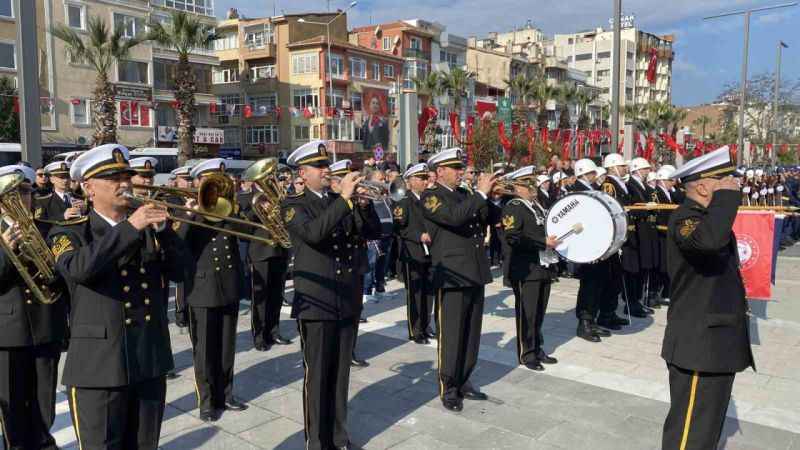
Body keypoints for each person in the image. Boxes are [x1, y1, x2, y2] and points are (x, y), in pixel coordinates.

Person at [48, 144, 188, 450]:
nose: (124, 182)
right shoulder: (68, 231)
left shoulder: (149, 229)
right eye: (113, 176)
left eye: (126, 175)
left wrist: (165, 232)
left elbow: (181, 273)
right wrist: (130, 227)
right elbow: (79, 269)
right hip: (99, 368)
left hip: (148, 359)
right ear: (88, 188)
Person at [281, 140, 381, 450]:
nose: (327, 171)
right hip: (316, 300)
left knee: (340, 376)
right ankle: (317, 440)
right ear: (303, 172)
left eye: (327, 165)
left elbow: (372, 233)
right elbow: (314, 233)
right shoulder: (293, 204)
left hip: (345, 296)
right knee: (318, 376)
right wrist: (346, 200)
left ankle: (339, 436)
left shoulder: (338, 200)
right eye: (320, 167)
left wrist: (364, 207)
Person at [661, 147, 754, 450]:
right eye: (723, 181)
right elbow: (709, 243)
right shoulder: (686, 219)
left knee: (706, 428)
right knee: (690, 432)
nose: (732, 185)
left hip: (714, 342)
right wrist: (727, 200)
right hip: (699, 343)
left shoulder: (705, 218)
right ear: (702, 186)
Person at [421, 147, 497, 412]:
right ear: (440, 171)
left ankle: (464, 379)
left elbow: (491, 219)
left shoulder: (466, 195)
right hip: (451, 273)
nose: (461, 172)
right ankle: (449, 386)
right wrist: (480, 194)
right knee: (451, 334)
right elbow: (454, 218)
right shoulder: (430, 196)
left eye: (460, 167)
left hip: (474, 271)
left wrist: (493, 197)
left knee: (471, 333)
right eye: (455, 168)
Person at [0, 165, 67, 450]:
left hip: (45, 327)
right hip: (7, 334)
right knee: (13, 406)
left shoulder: (46, 228)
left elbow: (62, 277)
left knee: (44, 402)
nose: (22, 198)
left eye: (26, 191)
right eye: (14, 193)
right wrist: (5, 250)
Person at [178, 159, 249, 422]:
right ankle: (207, 402)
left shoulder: (228, 210)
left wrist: (233, 211)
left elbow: (246, 233)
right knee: (204, 351)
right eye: (209, 182)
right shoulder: (190, 212)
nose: (215, 189)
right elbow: (179, 244)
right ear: (198, 183)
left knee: (226, 346)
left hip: (228, 284)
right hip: (202, 288)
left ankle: (226, 394)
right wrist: (190, 214)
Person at [500, 166, 559, 371]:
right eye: (528, 183)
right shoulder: (514, 206)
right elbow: (513, 237)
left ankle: (537, 347)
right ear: (517, 186)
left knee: (539, 312)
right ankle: (527, 353)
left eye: (533, 182)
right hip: (526, 268)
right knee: (528, 313)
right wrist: (542, 242)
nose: (533, 187)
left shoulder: (535, 205)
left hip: (542, 265)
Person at [240, 172, 292, 352]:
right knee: (260, 298)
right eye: (267, 177)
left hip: (280, 250)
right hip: (260, 251)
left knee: (277, 294)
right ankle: (259, 335)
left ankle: (274, 331)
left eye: (272, 176)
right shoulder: (247, 198)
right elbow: (243, 227)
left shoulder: (281, 196)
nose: (271, 179)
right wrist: (259, 209)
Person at [568, 159, 610, 342]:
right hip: (585, 247)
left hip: (597, 245)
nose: (596, 176)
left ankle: (591, 319)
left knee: (597, 283)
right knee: (588, 285)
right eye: (593, 172)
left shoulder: (592, 190)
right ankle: (583, 323)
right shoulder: (576, 191)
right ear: (585, 173)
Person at [393, 163, 434, 344]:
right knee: (415, 294)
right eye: (421, 178)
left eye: (426, 177)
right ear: (410, 181)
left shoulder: (429, 199)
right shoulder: (404, 202)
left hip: (430, 253)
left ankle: (425, 326)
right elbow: (400, 229)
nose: (425, 181)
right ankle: (415, 330)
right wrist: (419, 236)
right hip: (413, 253)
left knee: (428, 293)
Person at [627, 157, 658, 313]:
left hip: (645, 230)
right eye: (645, 169)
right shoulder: (630, 186)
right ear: (636, 170)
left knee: (642, 269)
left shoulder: (643, 186)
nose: (647, 171)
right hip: (637, 229)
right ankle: (632, 303)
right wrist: (646, 208)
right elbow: (630, 208)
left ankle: (638, 300)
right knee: (636, 270)